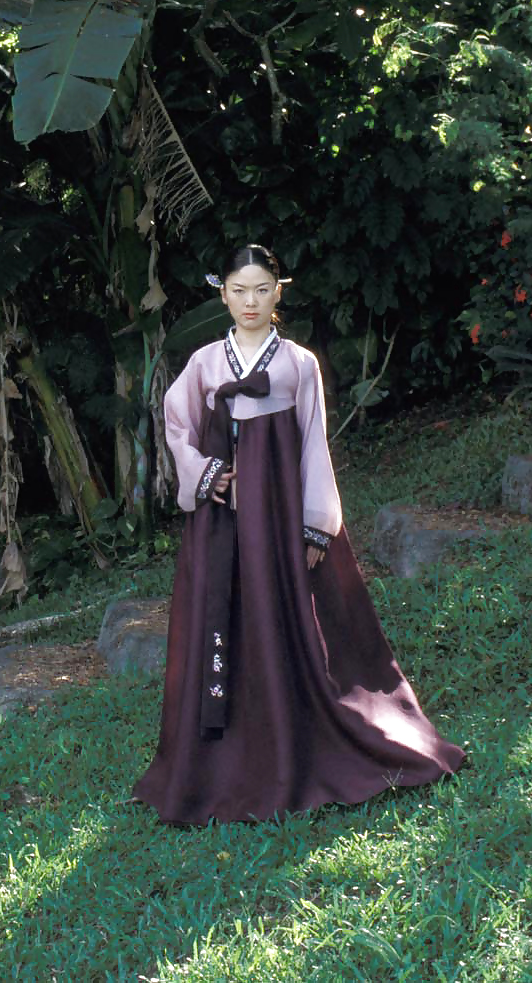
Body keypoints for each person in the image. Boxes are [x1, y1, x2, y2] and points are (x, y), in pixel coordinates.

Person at [131, 243, 466, 825]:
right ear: (223, 295)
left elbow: (313, 445)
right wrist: (208, 475)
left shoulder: (299, 363)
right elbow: (175, 419)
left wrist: (317, 526)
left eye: (262, 289)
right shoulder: (207, 361)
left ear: (278, 291)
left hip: (281, 511)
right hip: (224, 516)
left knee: (288, 613)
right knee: (227, 614)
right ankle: (227, 752)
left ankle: (301, 735)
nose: (251, 301)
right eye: (239, 291)